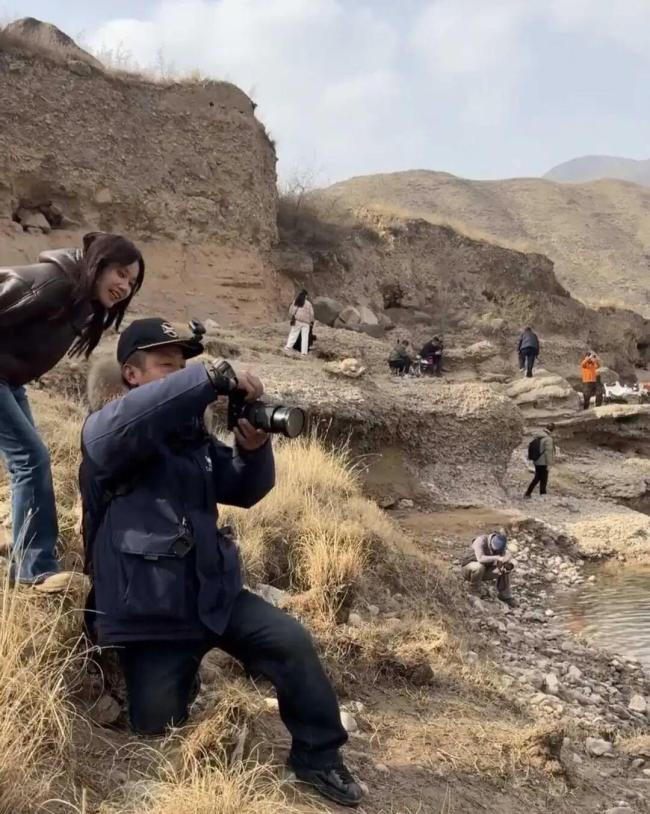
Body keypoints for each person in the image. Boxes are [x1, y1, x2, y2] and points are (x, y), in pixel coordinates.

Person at [80, 318, 363, 808]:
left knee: (290, 641)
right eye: (168, 365)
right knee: (157, 727)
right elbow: (121, 427)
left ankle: (318, 756)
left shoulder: (190, 441)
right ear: (131, 374)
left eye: (185, 366)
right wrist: (208, 379)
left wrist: (253, 452)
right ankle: (182, 677)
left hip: (214, 596)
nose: (181, 372)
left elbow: (245, 491)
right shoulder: (109, 435)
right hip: (151, 615)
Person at [0, 232, 144, 589]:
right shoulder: (52, 283)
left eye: (132, 281)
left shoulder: (80, 300)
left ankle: (30, 555)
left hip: (9, 380)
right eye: (121, 274)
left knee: (32, 458)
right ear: (99, 264)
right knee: (31, 458)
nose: (125, 286)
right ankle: (36, 569)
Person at [461, 532, 515, 606]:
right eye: (494, 549)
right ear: (491, 543)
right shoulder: (480, 541)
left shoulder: (501, 549)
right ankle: (474, 591)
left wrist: (504, 563)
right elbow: (480, 558)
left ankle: (505, 596)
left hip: (484, 571)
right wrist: (497, 557)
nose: (495, 551)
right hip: (468, 570)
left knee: (504, 568)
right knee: (479, 566)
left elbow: (501, 562)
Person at [524, 423, 555, 498]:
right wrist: (549, 464)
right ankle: (541, 494)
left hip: (537, 460)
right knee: (543, 478)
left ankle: (530, 493)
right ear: (553, 430)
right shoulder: (548, 439)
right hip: (543, 462)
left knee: (538, 477)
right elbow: (548, 452)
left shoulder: (538, 436)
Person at [284, 290, 314, 356]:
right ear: (306, 296)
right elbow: (311, 314)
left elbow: (292, 310)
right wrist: (312, 321)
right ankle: (303, 353)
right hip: (306, 323)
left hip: (297, 321)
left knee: (293, 334)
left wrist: (293, 315)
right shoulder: (308, 304)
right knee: (305, 337)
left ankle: (288, 347)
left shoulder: (296, 301)